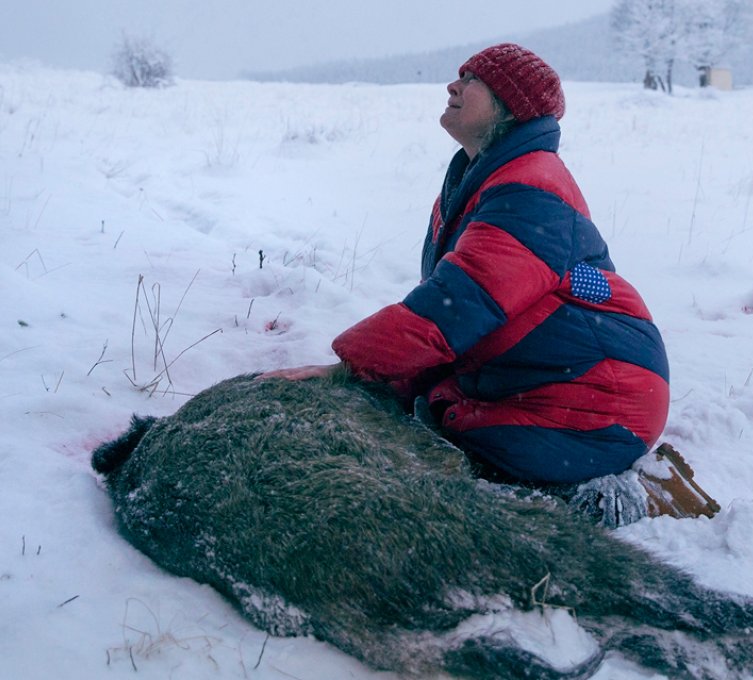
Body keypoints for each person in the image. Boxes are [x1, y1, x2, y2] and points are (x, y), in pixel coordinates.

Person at [265, 44, 717, 525]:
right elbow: (462, 319)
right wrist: (384, 377)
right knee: (426, 419)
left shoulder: (530, 188)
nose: (452, 86)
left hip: (596, 403)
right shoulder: (484, 180)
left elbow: (457, 304)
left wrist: (349, 367)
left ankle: (634, 496)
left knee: (464, 476)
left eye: (472, 79)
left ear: (508, 104)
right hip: (547, 383)